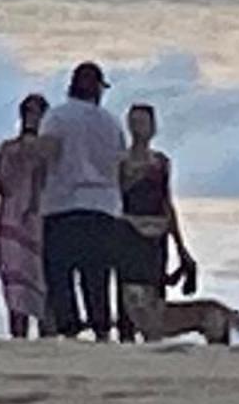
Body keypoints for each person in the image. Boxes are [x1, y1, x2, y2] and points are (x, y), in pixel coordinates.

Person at [37, 60, 126, 340]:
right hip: (103, 205)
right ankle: (101, 328)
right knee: (97, 273)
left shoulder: (57, 117)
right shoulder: (110, 122)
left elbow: (48, 154)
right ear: (98, 89)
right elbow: (120, 165)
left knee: (60, 272)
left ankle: (69, 327)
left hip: (62, 203)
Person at [114, 101, 200, 343]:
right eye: (133, 122)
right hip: (128, 234)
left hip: (157, 237)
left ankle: (153, 344)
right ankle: (125, 341)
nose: (138, 127)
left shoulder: (161, 162)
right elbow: (114, 201)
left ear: (153, 127)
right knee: (127, 296)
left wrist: (181, 247)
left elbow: (166, 203)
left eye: (143, 122)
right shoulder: (120, 162)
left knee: (155, 296)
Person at [0, 91, 52, 338]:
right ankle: (18, 339)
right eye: (29, 113)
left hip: (40, 221)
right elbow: (1, 183)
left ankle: (47, 339)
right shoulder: (9, 149)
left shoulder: (48, 150)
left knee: (44, 284)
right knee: (16, 286)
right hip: (12, 221)